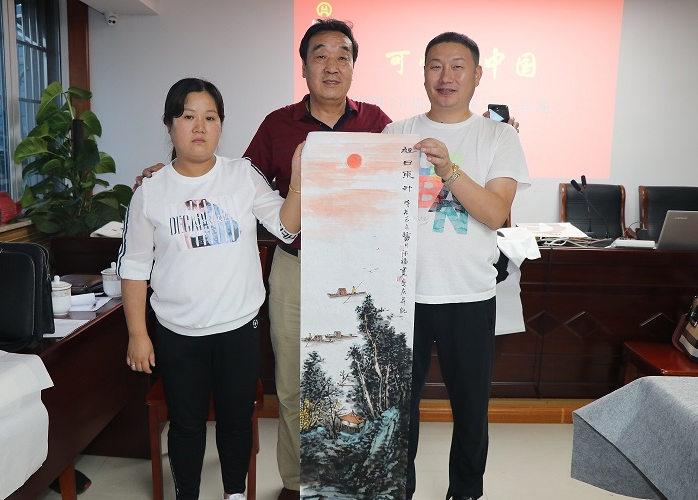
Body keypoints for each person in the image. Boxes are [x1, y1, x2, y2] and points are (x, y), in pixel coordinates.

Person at [135, 20, 391, 500]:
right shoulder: (277, 125)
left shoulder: (378, 122)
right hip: (296, 266)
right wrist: (169, 175)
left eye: (342, 56)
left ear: (354, 66)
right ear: (304, 66)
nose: (331, 66)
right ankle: (295, 483)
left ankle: (349, 482)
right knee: (293, 384)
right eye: (320, 55)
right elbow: (234, 180)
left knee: (356, 379)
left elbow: (403, 177)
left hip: (360, 270)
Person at [118, 77, 301, 500]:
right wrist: (138, 334)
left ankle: (234, 493)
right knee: (186, 424)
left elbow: (286, 228)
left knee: (236, 421)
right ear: (170, 125)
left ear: (221, 125)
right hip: (178, 333)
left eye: (211, 117)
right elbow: (134, 267)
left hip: (238, 329)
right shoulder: (151, 192)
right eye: (188, 117)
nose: (200, 127)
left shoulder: (242, 175)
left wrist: (298, 181)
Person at [383, 32, 530, 500]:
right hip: (402, 296)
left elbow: (494, 212)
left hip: (468, 294)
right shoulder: (395, 134)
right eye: (435, 66)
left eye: (457, 66)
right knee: (396, 408)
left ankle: (465, 491)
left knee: (470, 409)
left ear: (477, 75)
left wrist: (448, 169)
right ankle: (397, 489)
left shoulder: (499, 136)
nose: (445, 77)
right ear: (423, 72)